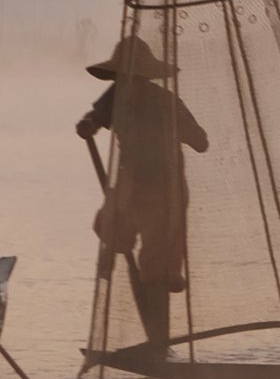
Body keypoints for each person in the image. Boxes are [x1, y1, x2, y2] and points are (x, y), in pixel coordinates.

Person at [78, 33, 210, 350]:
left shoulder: (166, 101)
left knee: (156, 268)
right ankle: (154, 338)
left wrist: (178, 127)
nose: (127, 83)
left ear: (144, 77)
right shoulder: (115, 97)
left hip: (165, 188)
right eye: (123, 78)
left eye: (132, 77)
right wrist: (86, 125)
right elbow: (93, 118)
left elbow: (201, 142)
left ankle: (158, 341)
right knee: (111, 230)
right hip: (129, 182)